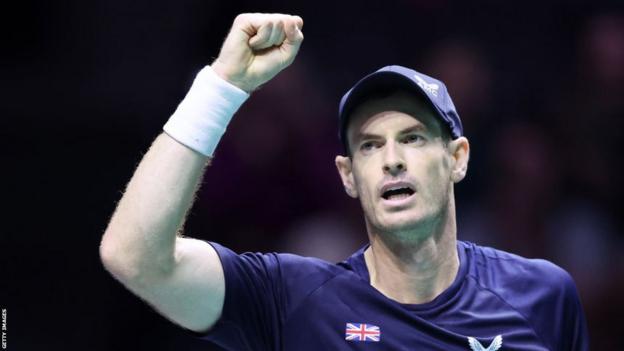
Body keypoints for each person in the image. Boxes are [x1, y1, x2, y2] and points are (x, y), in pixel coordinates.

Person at [99, 13, 589, 350]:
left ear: (457, 158)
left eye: (414, 138)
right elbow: (134, 255)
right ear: (348, 176)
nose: (392, 161)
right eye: (370, 146)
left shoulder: (543, 296)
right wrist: (222, 86)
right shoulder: (291, 299)